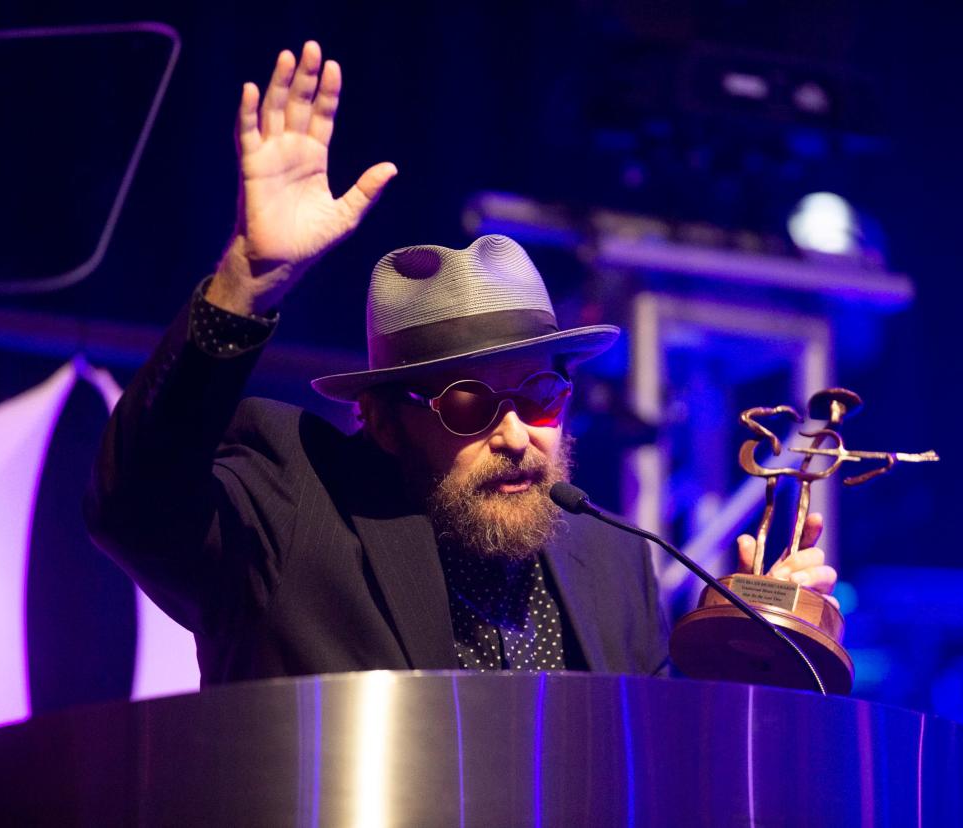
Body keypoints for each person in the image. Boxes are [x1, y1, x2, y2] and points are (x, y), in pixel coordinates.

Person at [85, 42, 837, 685]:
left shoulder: (614, 564)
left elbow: (662, 767)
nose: (517, 437)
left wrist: (757, 643)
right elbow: (134, 505)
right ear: (382, 421)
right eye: (472, 406)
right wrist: (244, 281)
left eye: (540, 397)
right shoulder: (294, 511)